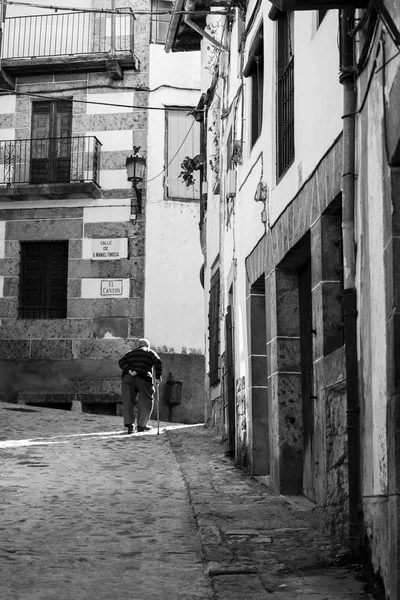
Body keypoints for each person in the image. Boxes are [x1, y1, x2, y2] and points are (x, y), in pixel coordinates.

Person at [118, 338, 162, 434]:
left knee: (128, 401)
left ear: (138, 346)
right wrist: (158, 377)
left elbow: (121, 361)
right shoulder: (150, 352)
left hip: (128, 378)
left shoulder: (130, 353)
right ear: (147, 346)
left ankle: (130, 426)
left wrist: (129, 370)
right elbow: (158, 361)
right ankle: (142, 425)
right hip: (144, 378)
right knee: (146, 401)